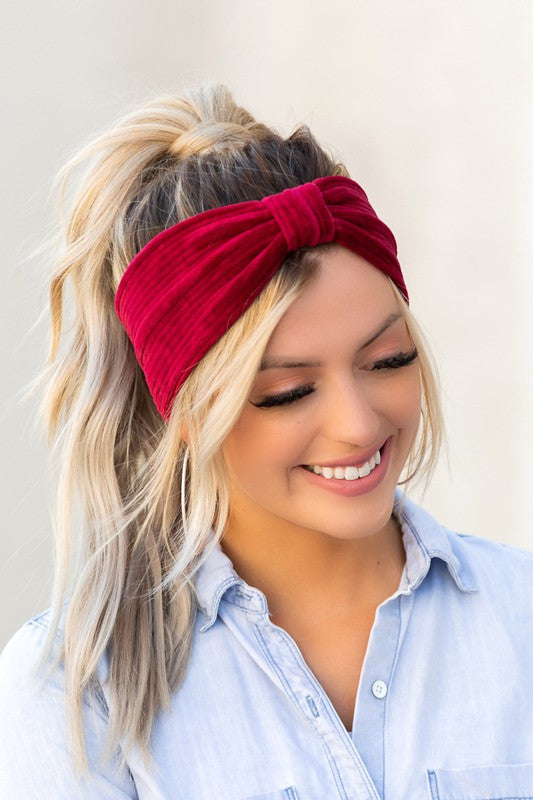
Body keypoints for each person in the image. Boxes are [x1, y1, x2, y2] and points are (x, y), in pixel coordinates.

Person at [0, 82, 532, 800]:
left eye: (387, 361)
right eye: (287, 392)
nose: (357, 423)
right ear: (184, 411)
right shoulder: (76, 696)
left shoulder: (521, 617)